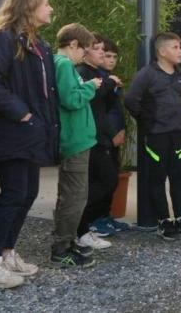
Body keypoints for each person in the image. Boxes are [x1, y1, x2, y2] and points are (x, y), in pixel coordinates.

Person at [0, 0, 60, 288]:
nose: (51, 9)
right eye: (46, 4)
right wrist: (21, 112)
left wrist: (39, 125)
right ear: (29, 6)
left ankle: (7, 252)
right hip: (12, 132)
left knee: (27, 193)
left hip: (30, 133)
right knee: (13, 194)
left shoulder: (39, 44)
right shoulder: (4, 38)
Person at [124, 32, 181, 240]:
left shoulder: (180, 76)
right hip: (156, 137)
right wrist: (148, 122)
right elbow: (130, 101)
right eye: (175, 47)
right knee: (157, 180)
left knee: (179, 179)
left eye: (180, 47)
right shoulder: (147, 74)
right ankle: (164, 221)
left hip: (178, 135)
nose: (180, 51)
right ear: (162, 51)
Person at [50, 23, 100, 267]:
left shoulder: (60, 64)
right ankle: (61, 248)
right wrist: (91, 87)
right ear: (73, 44)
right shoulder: (64, 65)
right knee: (74, 196)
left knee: (71, 194)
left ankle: (65, 242)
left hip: (77, 138)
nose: (85, 55)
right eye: (84, 49)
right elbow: (71, 99)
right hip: (74, 139)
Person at [76, 35, 122, 249]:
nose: (102, 53)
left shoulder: (98, 73)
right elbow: (87, 99)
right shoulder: (82, 72)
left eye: (104, 50)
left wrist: (113, 87)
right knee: (105, 180)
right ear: (84, 50)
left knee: (108, 180)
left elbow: (105, 104)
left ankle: (84, 227)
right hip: (88, 136)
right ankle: (80, 225)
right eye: (98, 49)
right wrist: (107, 85)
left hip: (100, 134)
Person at [91, 36, 130, 234]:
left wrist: (122, 129)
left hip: (115, 136)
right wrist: (112, 133)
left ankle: (106, 217)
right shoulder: (97, 80)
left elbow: (116, 109)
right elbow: (99, 112)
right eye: (107, 55)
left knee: (112, 178)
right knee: (103, 180)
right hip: (102, 138)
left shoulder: (111, 79)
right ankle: (94, 220)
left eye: (114, 56)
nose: (111, 60)